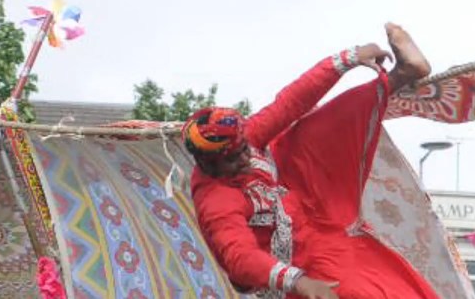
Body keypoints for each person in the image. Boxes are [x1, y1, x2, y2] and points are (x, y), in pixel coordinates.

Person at [183, 23, 440, 299]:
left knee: (312, 130)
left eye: (245, 148)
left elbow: (291, 102)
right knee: (371, 291)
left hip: (312, 208)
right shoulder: (215, 200)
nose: (246, 158)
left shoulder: (248, 135)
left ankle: (401, 75)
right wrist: (300, 282)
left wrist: (349, 58)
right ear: (208, 164)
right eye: (234, 159)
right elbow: (240, 257)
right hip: (302, 265)